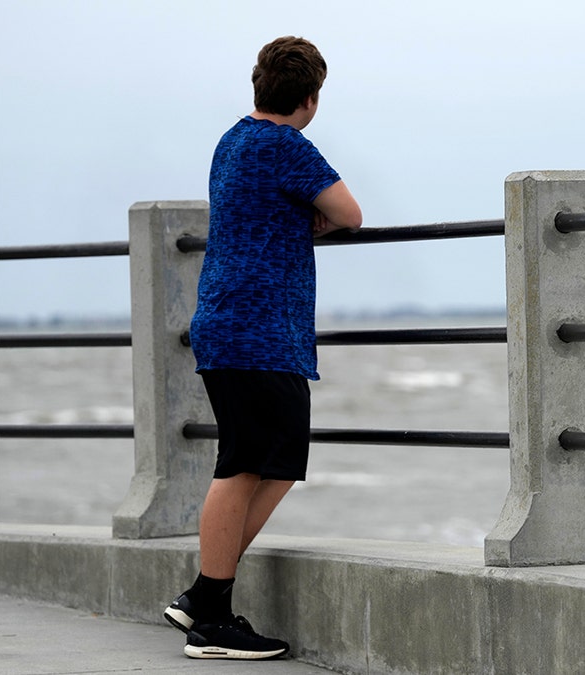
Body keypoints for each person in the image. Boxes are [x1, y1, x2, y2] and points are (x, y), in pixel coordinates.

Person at [162, 35, 362, 660]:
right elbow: (351, 213)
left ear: (258, 86)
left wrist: (298, 215)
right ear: (311, 97)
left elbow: (261, 210)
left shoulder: (234, 140)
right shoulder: (285, 145)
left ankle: (203, 596)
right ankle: (212, 618)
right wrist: (316, 214)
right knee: (245, 464)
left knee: (276, 462)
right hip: (259, 332)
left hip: (235, 324)